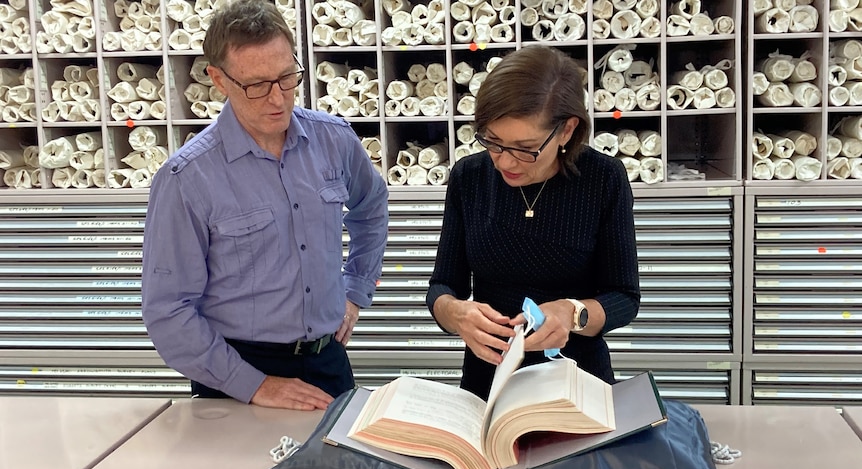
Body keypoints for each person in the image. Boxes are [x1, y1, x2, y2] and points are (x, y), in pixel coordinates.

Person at [141, 0, 388, 411]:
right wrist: (255, 385)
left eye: (287, 77)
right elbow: (167, 310)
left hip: (328, 360)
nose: (278, 98)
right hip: (235, 373)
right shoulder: (186, 178)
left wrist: (356, 289)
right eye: (256, 85)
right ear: (218, 79)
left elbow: (372, 207)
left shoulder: (335, 141)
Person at [426, 45, 640, 401]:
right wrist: (455, 313)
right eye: (492, 142)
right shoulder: (470, 176)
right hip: (487, 385)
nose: (504, 162)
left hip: (577, 385)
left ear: (567, 130)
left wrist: (573, 313)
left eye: (524, 148)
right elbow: (443, 285)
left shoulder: (603, 178)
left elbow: (624, 297)